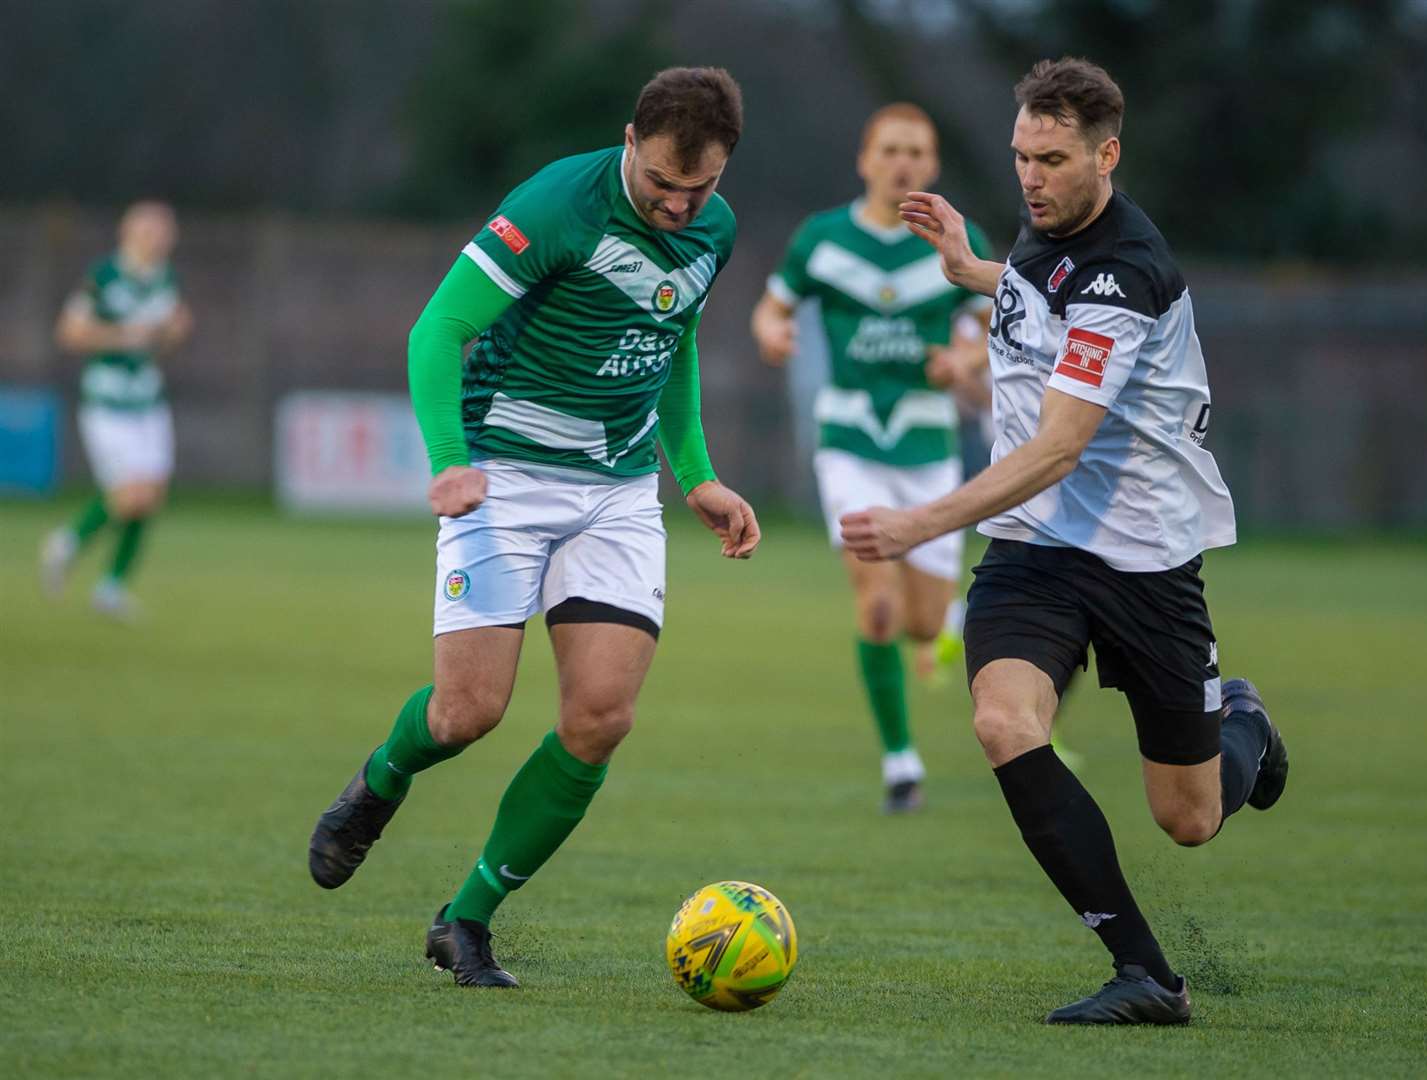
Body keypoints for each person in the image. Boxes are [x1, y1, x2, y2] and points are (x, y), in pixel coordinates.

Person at [841, 57, 1288, 1025]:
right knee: (1004, 723)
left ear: (1106, 154)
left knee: (1191, 818)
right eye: (1019, 157)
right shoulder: (1047, 228)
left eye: (1051, 159)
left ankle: (1243, 723)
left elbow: (1055, 449)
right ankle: (1144, 974)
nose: (1030, 178)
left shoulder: (1129, 273)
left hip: (1143, 562)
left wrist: (921, 523)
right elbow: (1045, 290)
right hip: (1035, 550)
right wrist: (973, 270)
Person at [306, 67, 760, 989]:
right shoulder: (556, 204)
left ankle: (465, 920)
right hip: (503, 477)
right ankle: (382, 780)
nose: (679, 206)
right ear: (630, 141)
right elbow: (437, 329)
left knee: (601, 718)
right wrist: (447, 458)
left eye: (698, 187)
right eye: (663, 184)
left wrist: (698, 476)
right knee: (467, 713)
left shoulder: (717, 229)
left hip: (620, 491)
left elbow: (673, 343)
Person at [751, 103, 992, 813]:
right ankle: (899, 762)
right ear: (865, 160)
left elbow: (992, 331)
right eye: (890, 149)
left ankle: (938, 631)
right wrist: (772, 336)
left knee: (922, 622)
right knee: (879, 608)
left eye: (916, 151)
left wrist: (963, 359)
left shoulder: (957, 241)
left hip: (927, 446)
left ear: (934, 165)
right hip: (850, 438)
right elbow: (773, 307)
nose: (903, 163)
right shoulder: (823, 240)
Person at [40, 201, 193, 618]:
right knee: (130, 495)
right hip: (108, 399)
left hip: (147, 397)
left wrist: (173, 334)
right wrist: (123, 335)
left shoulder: (167, 279)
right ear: (131, 233)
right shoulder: (104, 277)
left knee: (152, 494)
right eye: (153, 230)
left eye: (167, 231)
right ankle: (67, 541)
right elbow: (69, 332)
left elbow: (161, 340)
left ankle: (111, 587)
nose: (162, 238)